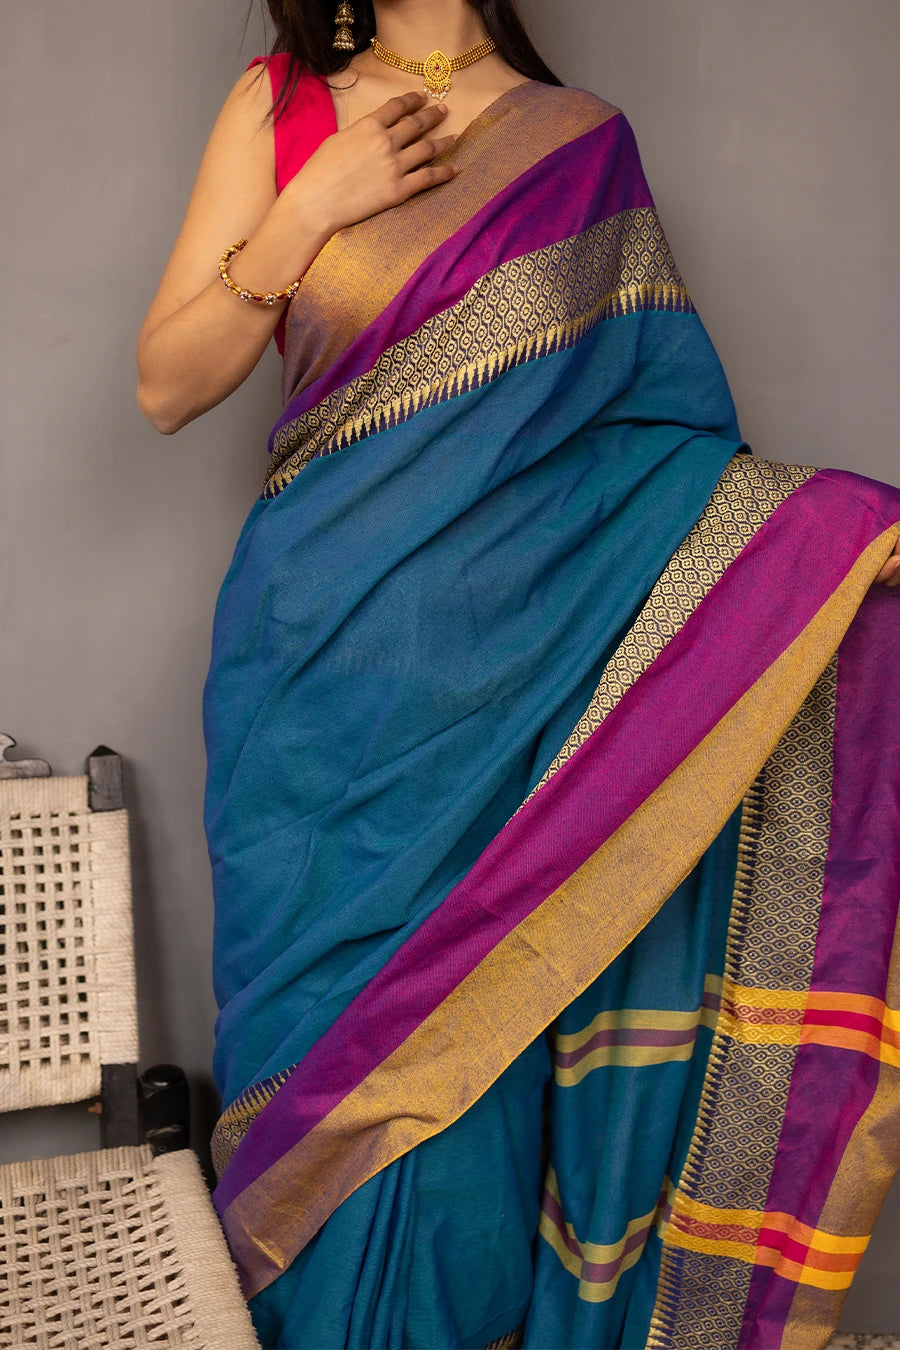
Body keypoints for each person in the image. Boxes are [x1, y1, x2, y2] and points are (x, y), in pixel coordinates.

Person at [137, 2, 900, 1346]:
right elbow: (165, 383)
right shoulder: (282, 110)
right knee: (310, 1068)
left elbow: (652, 450)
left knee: (472, 1067)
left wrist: (830, 543)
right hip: (316, 679)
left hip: (517, 690)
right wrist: (312, 207)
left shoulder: (580, 145)